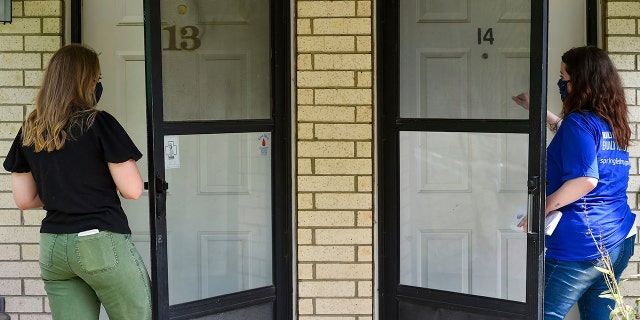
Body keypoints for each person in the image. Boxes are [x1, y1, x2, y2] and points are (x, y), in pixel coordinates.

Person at [3, 44, 152, 320]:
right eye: (97, 79)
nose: (98, 85)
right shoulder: (99, 123)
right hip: (100, 243)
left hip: (53, 247)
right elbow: (132, 190)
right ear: (85, 82)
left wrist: (64, 193)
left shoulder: (30, 129)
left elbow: (24, 200)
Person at [513, 46, 636, 320]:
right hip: (619, 237)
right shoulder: (611, 122)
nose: (561, 84)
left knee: (541, 314)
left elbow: (585, 180)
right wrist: (541, 112)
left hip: (583, 241)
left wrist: (541, 208)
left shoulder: (579, 123)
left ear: (581, 81)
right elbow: (575, 137)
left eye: (564, 77)